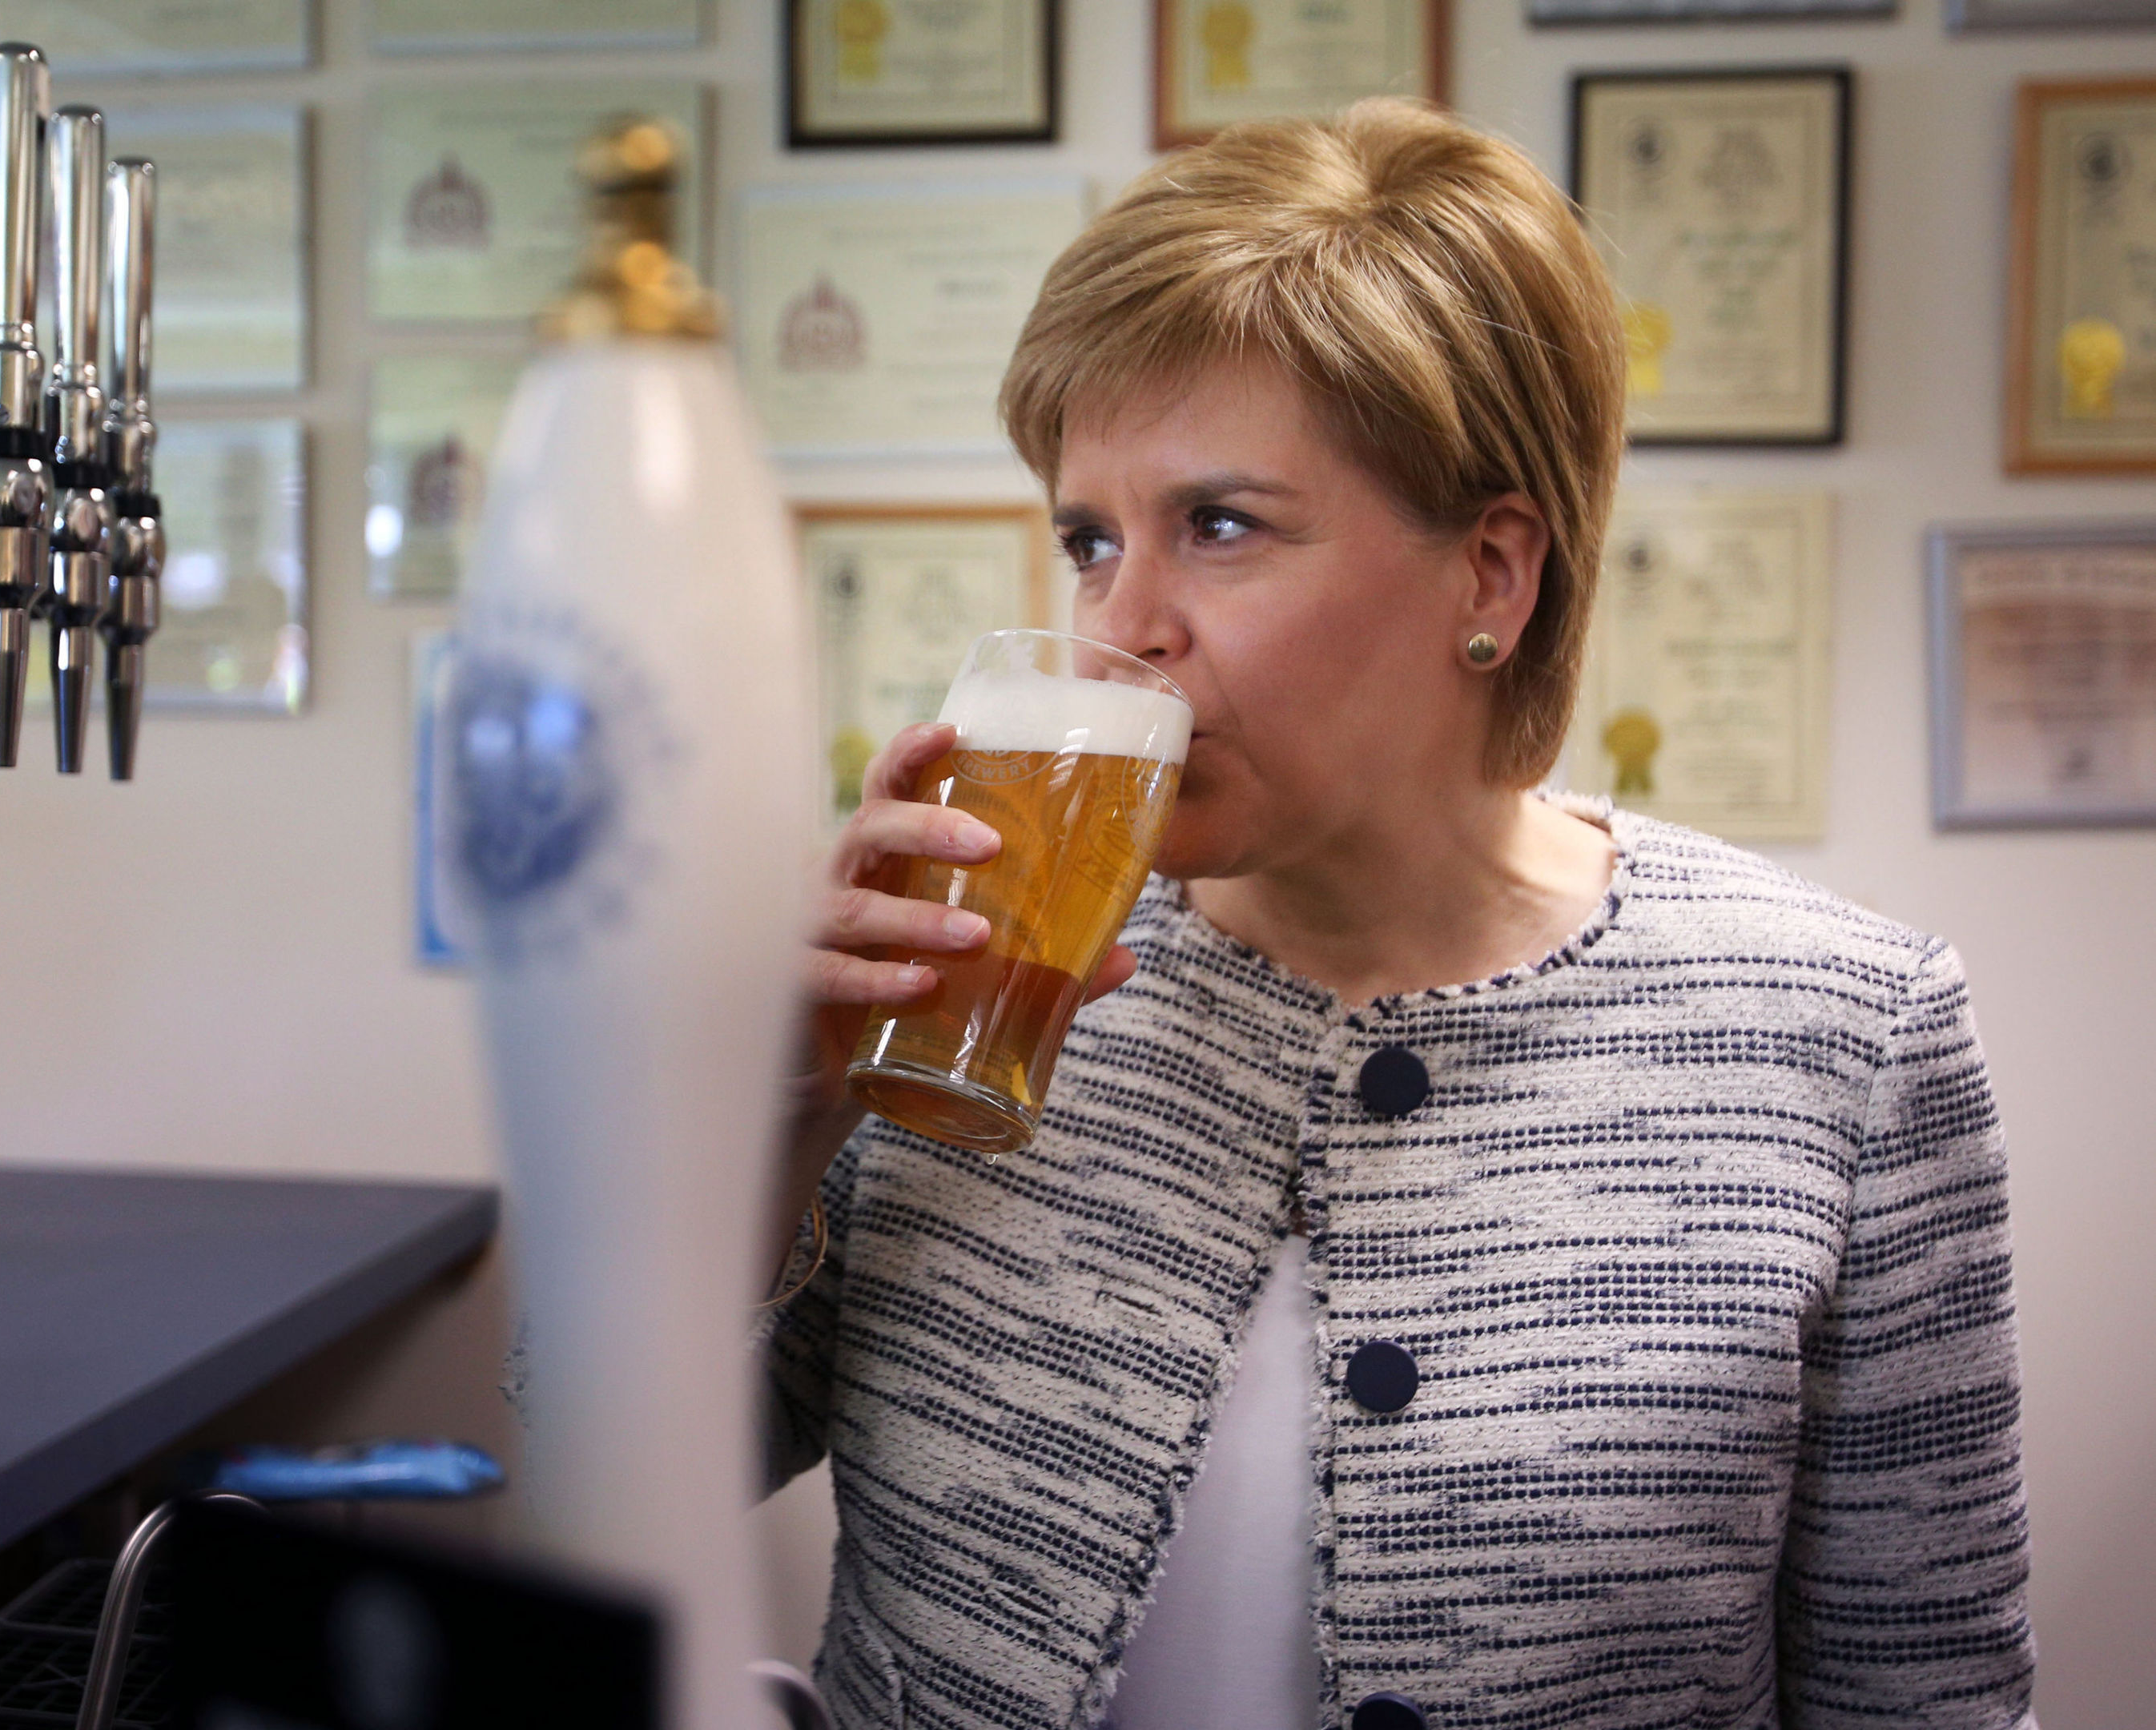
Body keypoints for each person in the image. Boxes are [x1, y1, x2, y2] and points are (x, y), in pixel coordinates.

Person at [760, 98, 2034, 1730]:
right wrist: (766, 1129)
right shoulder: (972, 985)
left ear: (1489, 578)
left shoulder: (1845, 1037)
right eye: (1089, 539)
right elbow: (597, 1458)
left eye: (1218, 526)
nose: (1122, 622)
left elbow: (1924, 1700)